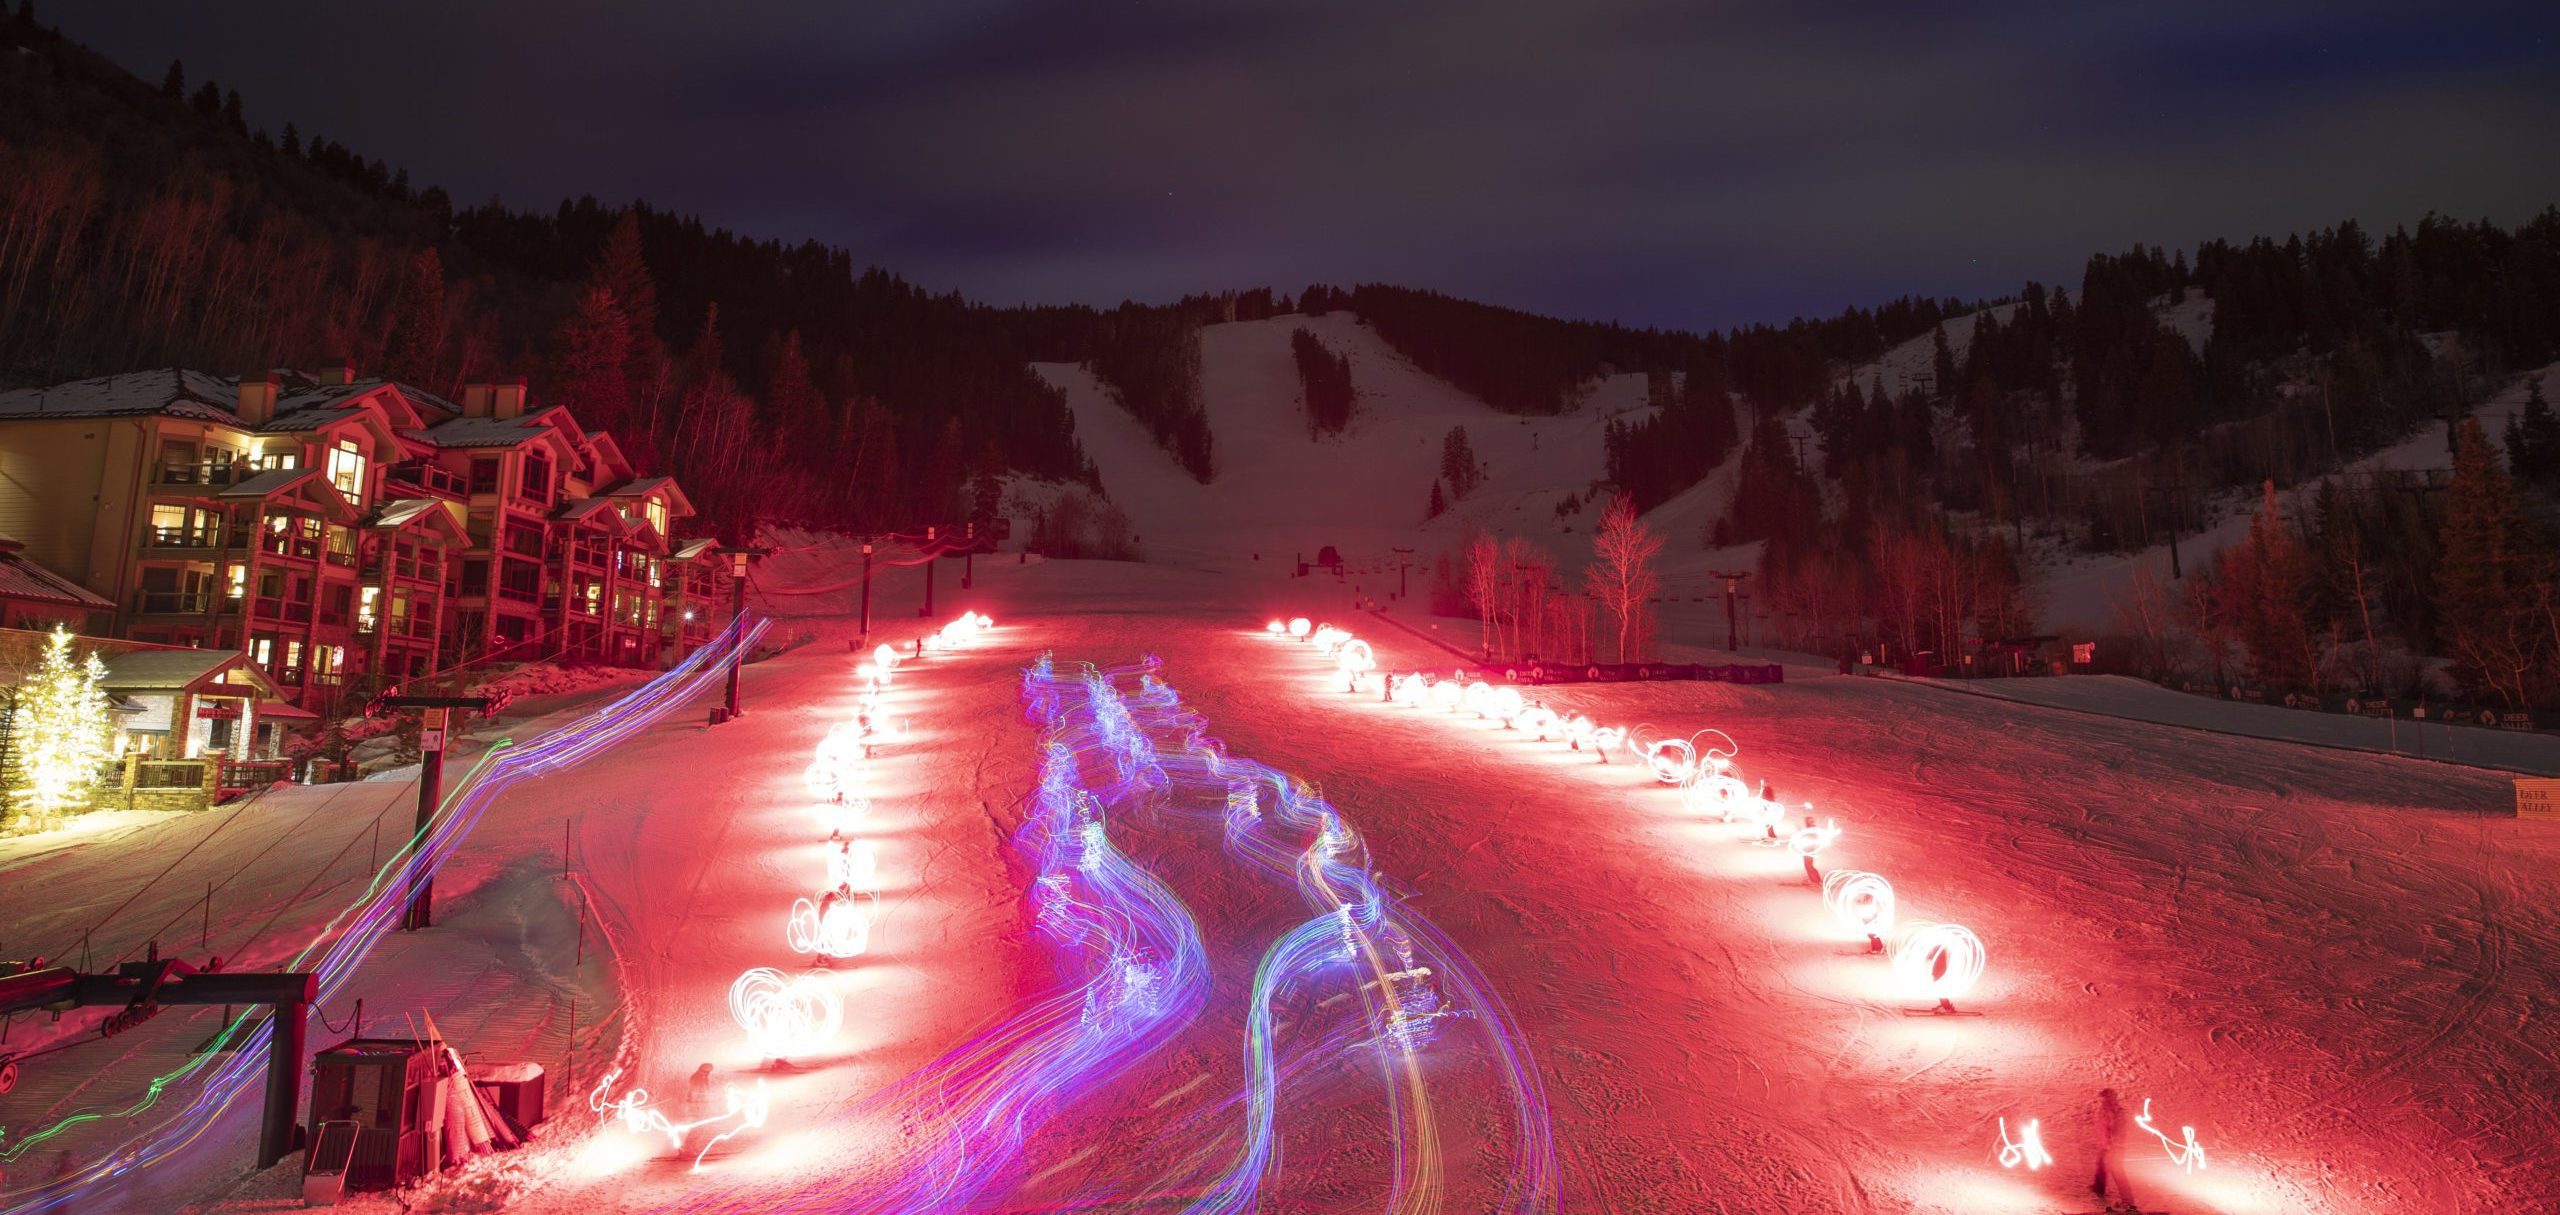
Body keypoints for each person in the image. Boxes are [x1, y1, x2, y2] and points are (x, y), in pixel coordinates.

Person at [2091, 1087, 2139, 1210]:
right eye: (2102, 1099)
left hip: (2114, 1147)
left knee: (2117, 1172)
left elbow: (2117, 1129)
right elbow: (2102, 1128)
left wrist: (2113, 1143)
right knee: (2103, 1166)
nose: (2102, 1101)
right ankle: (2099, 1189)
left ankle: (2128, 1201)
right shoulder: (2105, 1110)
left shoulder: (2115, 1112)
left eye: (2105, 1098)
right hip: (2107, 1146)